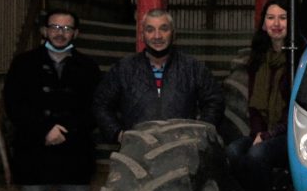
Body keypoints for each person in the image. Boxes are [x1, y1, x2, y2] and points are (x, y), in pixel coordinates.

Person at [3, 9, 101, 191]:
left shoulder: (88, 67)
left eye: (67, 28)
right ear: (45, 31)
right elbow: (12, 105)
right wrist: (44, 129)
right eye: (55, 27)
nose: (60, 32)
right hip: (35, 154)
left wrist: (66, 130)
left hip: (74, 156)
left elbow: (96, 108)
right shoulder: (23, 64)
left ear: (76, 34)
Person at [92, 8, 224, 144]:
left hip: (183, 150)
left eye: (163, 29)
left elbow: (215, 100)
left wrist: (200, 133)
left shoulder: (192, 68)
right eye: (150, 30)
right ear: (142, 35)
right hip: (136, 150)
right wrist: (118, 134)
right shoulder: (124, 68)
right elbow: (101, 104)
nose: (157, 36)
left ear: (173, 34)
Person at [225, 0, 293, 191]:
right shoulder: (258, 59)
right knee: (233, 151)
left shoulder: (298, 58)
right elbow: (254, 106)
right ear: (264, 24)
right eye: (271, 18)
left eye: (282, 18)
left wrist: (266, 136)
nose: (276, 23)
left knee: (257, 153)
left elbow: (293, 110)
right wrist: (257, 133)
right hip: (265, 132)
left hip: (290, 134)